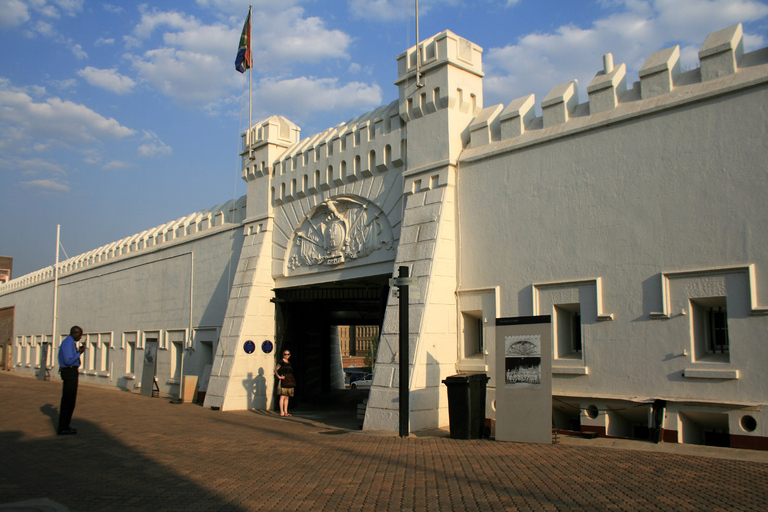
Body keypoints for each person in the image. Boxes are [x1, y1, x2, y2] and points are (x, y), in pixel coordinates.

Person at [57, 325, 85, 435]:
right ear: (75, 333)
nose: (80, 337)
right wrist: (79, 352)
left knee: (69, 400)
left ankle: (65, 426)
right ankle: (63, 427)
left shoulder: (68, 342)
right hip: (69, 372)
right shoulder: (68, 342)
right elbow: (68, 360)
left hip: (69, 372)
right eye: (80, 334)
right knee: (68, 400)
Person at [274, 349, 295, 417]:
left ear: (290, 355)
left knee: (287, 397)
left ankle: (286, 411)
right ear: (283, 355)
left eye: (288, 354)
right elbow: (275, 370)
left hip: (288, 380)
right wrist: (279, 377)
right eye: (285, 354)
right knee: (282, 396)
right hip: (283, 380)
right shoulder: (281, 362)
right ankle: (281, 412)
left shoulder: (289, 363)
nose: (286, 355)